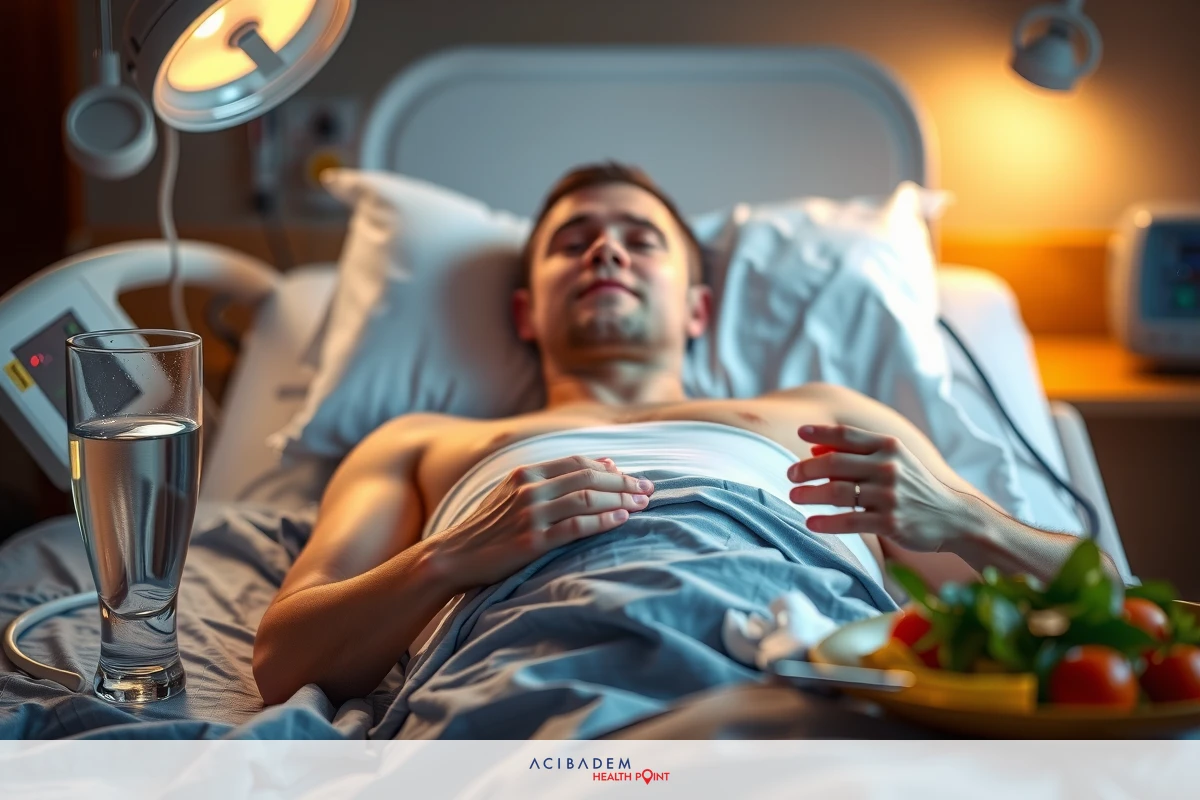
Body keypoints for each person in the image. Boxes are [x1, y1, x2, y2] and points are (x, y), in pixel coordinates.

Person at [252, 162, 1117, 727]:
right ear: (526, 311)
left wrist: (964, 519)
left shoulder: (821, 409)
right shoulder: (426, 440)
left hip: (800, 652)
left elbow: (1106, 615)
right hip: (536, 670)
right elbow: (283, 661)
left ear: (698, 310)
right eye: (572, 242)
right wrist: (448, 560)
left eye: (641, 241)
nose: (605, 253)